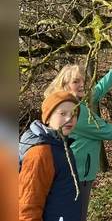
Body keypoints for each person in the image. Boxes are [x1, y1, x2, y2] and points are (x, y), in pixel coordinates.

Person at [43, 50, 112, 221]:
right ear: (65, 85)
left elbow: (97, 90)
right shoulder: (77, 111)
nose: (82, 84)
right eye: (76, 81)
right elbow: (106, 130)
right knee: (77, 216)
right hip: (77, 174)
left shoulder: (74, 102)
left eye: (84, 81)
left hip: (76, 171)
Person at [19, 91, 82, 220]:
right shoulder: (41, 153)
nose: (69, 118)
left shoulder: (60, 145)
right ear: (47, 118)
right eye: (62, 113)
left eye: (74, 114)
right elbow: (28, 207)